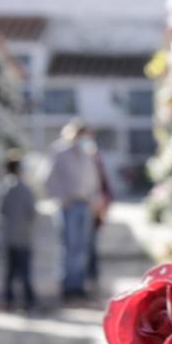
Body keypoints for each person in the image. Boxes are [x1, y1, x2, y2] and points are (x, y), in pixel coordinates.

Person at [45, 120, 101, 302]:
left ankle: (78, 285)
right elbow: (49, 179)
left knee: (82, 247)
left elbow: (93, 179)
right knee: (69, 247)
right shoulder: (59, 151)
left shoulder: (88, 152)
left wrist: (94, 199)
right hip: (68, 206)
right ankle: (67, 286)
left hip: (85, 205)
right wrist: (62, 199)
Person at [0, 150, 37, 311]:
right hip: (23, 236)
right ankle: (28, 301)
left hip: (8, 236)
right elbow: (31, 211)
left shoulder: (3, 187)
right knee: (25, 271)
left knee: (9, 272)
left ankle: (8, 300)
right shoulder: (25, 189)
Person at [86, 130, 112, 293]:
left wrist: (104, 205)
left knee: (91, 243)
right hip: (86, 206)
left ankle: (92, 274)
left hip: (95, 209)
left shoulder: (96, 162)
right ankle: (89, 275)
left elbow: (105, 187)